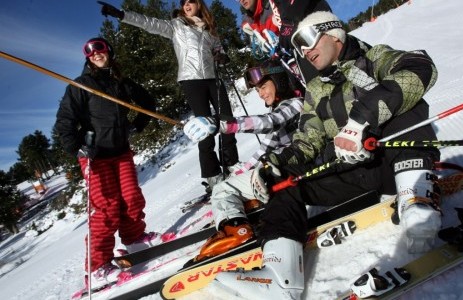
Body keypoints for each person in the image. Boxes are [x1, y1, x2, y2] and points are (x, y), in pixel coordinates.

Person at [212, 11, 441, 299]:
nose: (305, 52)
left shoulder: (374, 59)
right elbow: (307, 141)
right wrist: (275, 164)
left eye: (308, 40)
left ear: (334, 34)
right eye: (299, 47)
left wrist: (361, 122)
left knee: (406, 103)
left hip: (392, 161)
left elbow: (420, 67)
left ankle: (416, 201)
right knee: (283, 180)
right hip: (350, 171)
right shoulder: (317, 89)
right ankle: (280, 279)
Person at [55, 37, 162, 289]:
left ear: (109, 51)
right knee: (106, 209)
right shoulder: (81, 85)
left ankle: (134, 239)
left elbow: (147, 103)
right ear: (87, 58)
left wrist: (136, 126)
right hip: (95, 155)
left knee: (131, 198)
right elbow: (64, 120)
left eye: (99, 48)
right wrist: (76, 146)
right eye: (89, 52)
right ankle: (96, 268)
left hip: (121, 151)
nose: (95, 53)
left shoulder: (120, 83)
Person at [99, 0, 239, 192]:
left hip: (214, 78)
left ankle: (232, 164)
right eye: (183, 3)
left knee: (227, 121)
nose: (186, 5)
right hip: (192, 81)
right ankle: (213, 175)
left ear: (199, 4)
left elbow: (219, 50)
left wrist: (222, 56)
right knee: (204, 128)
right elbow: (149, 23)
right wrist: (122, 15)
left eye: (190, 1)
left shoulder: (209, 29)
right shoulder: (177, 26)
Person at [183, 60, 303, 261]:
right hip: (281, 170)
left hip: (287, 173)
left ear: (279, 80)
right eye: (257, 90)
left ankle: (236, 231)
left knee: (222, 190)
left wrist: (221, 124)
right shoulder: (286, 108)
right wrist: (245, 169)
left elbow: (268, 123)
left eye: (263, 86)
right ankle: (245, 211)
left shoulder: (295, 104)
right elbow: (267, 149)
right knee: (233, 181)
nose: (261, 94)